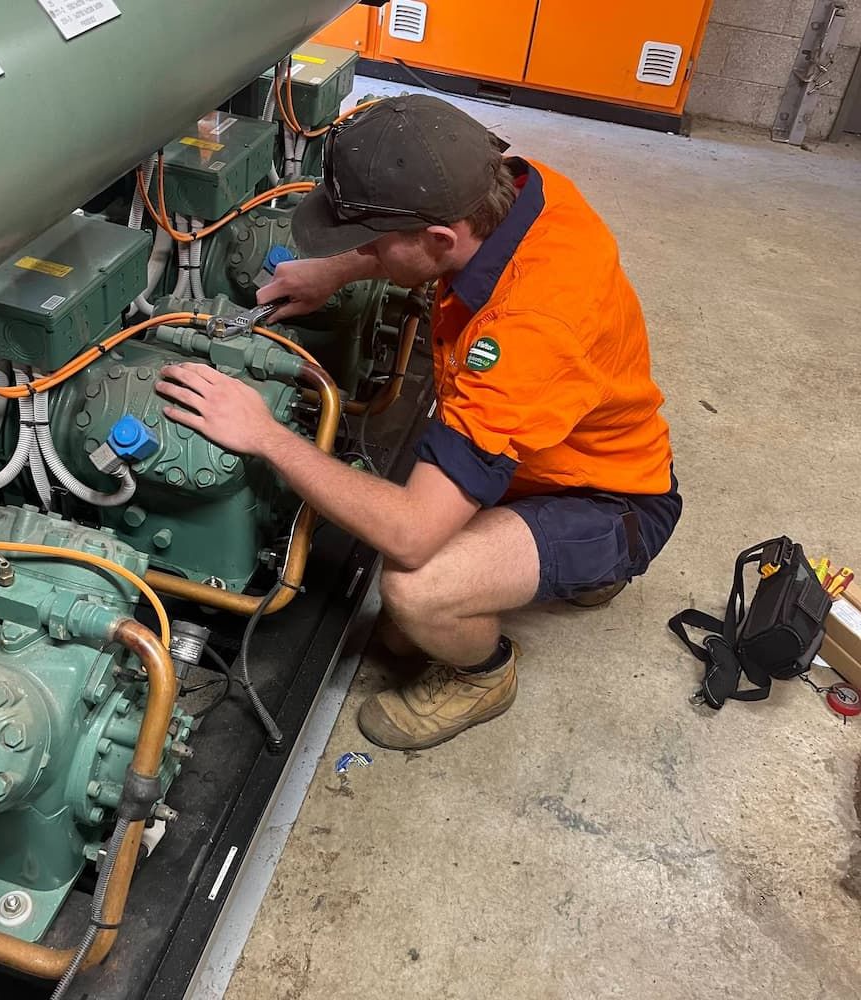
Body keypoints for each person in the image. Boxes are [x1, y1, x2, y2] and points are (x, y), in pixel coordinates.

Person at [157, 94, 681, 752]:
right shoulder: (511, 190)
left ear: (438, 239)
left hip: (610, 497)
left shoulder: (532, 328)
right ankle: (539, 562)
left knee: (416, 591)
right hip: (550, 447)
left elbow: (408, 534)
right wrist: (336, 269)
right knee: (401, 624)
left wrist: (265, 435)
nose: (363, 250)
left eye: (370, 241)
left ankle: (486, 674)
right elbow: (422, 244)